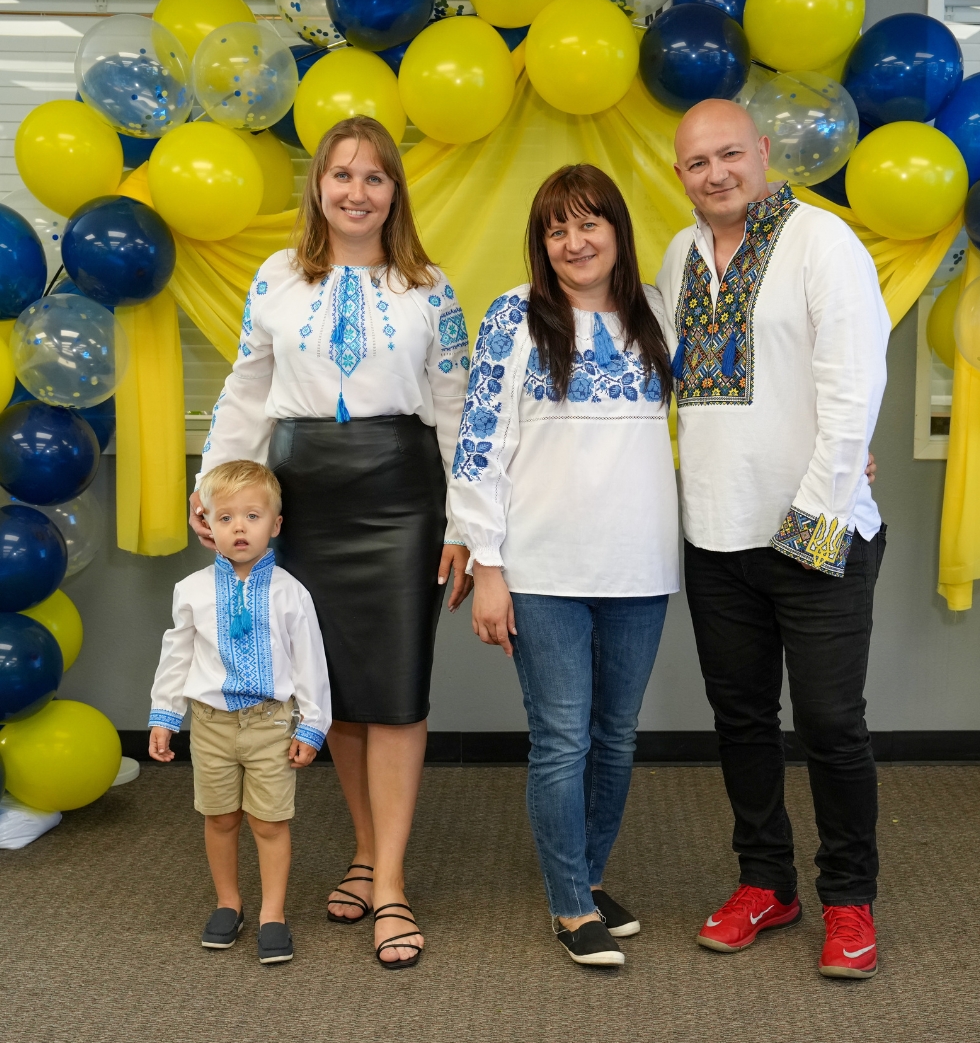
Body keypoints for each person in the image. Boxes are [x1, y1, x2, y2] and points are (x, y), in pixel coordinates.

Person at [190, 116, 472, 970]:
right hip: (303, 496)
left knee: (394, 692)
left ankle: (390, 883)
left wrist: (467, 524)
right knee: (333, 690)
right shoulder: (276, 278)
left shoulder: (432, 287)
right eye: (341, 175)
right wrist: (212, 488)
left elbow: (458, 412)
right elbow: (247, 391)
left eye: (374, 177)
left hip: (399, 496)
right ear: (318, 186)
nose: (356, 191)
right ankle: (361, 849)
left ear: (395, 192)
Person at [656, 99, 890, 979]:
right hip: (716, 533)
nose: (715, 174)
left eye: (729, 155)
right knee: (743, 719)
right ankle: (766, 882)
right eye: (695, 163)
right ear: (679, 175)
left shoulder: (822, 242)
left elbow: (853, 386)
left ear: (762, 151)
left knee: (832, 723)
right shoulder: (679, 257)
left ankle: (850, 899)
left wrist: (817, 515)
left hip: (814, 528)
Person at [450, 164, 679, 967]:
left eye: (589, 224)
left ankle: (585, 876)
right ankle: (569, 905)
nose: (575, 242)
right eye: (557, 229)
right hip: (541, 566)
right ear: (541, 243)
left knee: (615, 738)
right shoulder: (515, 316)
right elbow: (477, 442)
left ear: (617, 230)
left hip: (641, 565)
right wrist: (488, 564)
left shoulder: (659, 311)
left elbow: (736, 402)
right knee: (561, 740)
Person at [149, 460, 331, 965]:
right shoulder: (192, 591)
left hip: (272, 723)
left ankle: (274, 912)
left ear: (275, 524)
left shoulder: (291, 593)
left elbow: (310, 661)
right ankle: (229, 902)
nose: (239, 527)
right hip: (210, 726)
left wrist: (314, 726)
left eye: (252, 516)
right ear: (207, 523)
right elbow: (177, 656)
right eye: (225, 517)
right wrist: (165, 716)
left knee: (269, 822)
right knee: (221, 817)